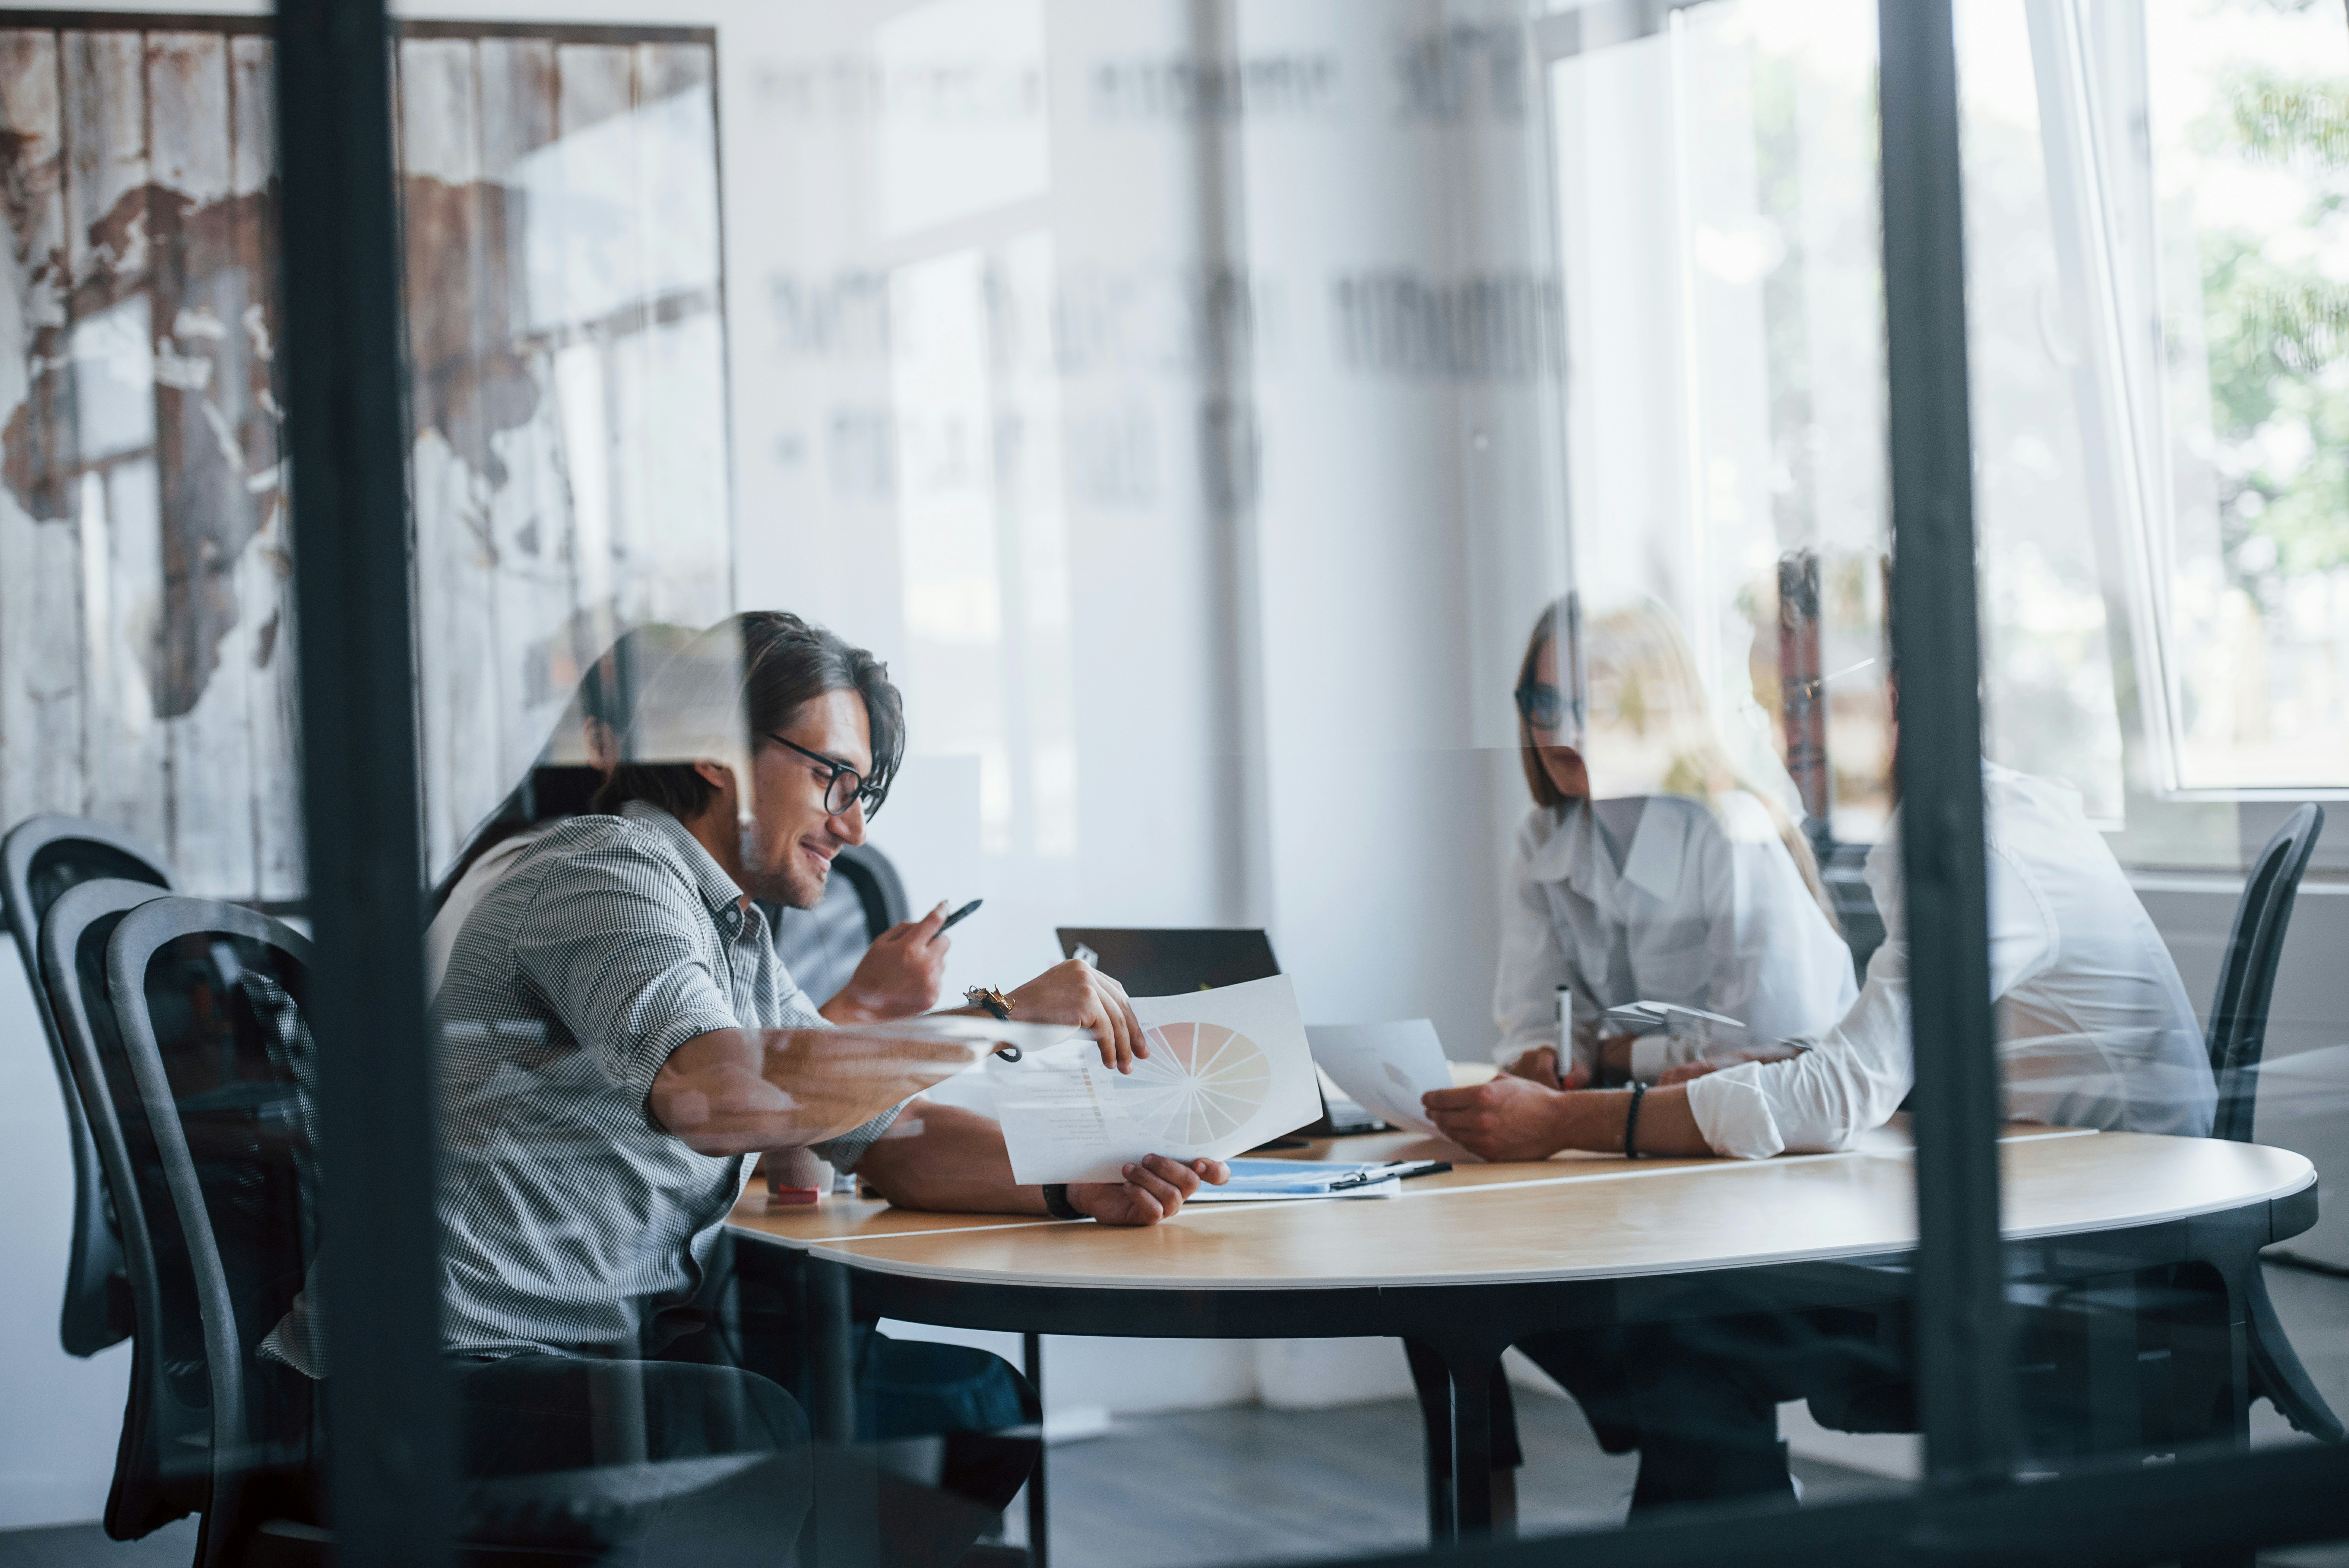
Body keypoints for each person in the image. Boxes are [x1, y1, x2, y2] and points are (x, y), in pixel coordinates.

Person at [270, 611, 1225, 1560]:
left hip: (594, 1359)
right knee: (741, 1429)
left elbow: (889, 1135)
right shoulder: (601, 867)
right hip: (429, 1378)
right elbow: (713, 1095)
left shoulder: (728, 930)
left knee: (971, 1407)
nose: (850, 825)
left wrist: (1072, 1179)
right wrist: (994, 1020)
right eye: (831, 778)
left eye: (862, 792)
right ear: (716, 752)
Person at [1422, 649, 2216, 1512]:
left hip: (2106, 1268)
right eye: (1769, 698)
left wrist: (1567, 1120)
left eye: (1805, 696)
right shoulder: (1965, 819)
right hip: (2059, 1214)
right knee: (1674, 1321)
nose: (1780, 728)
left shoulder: (1979, 848)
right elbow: (1891, 1054)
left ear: (1900, 688)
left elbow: (1841, 1097)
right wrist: (1775, 1059)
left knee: (1687, 1327)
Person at [425, 623, 951, 1029]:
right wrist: (865, 1006)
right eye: (663, 722)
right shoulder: (595, 872)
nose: (852, 828)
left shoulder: (722, 909)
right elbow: (728, 1102)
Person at [1492, 595, 1857, 1092]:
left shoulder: (1729, 832)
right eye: (1546, 704)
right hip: (1647, 1132)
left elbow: (1761, 1052)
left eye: (1598, 704)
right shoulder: (1541, 838)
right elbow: (1534, 1022)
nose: (1566, 732)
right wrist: (1549, 1057)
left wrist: (1614, 1056)